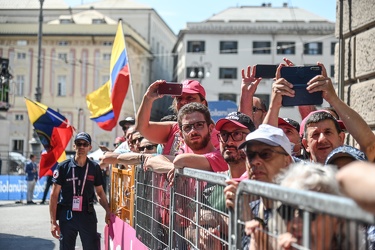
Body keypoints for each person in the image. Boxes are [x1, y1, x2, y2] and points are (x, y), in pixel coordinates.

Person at [49, 132, 110, 250]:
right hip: (67, 214)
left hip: (87, 214)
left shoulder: (94, 167)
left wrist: (107, 210)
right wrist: (53, 222)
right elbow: (54, 196)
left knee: (91, 247)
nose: (81, 147)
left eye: (85, 144)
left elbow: (100, 192)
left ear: (89, 147)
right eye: (78, 143)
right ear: (74, 146)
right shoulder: (63, 167)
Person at [136, 79, 219, 156]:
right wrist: (148, 98)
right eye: (179, 98)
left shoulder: (215, 135)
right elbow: (142, 128)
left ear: (203, 103)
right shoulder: (174, 128)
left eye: (190, 98)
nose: (183, 102)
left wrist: (163, 161)